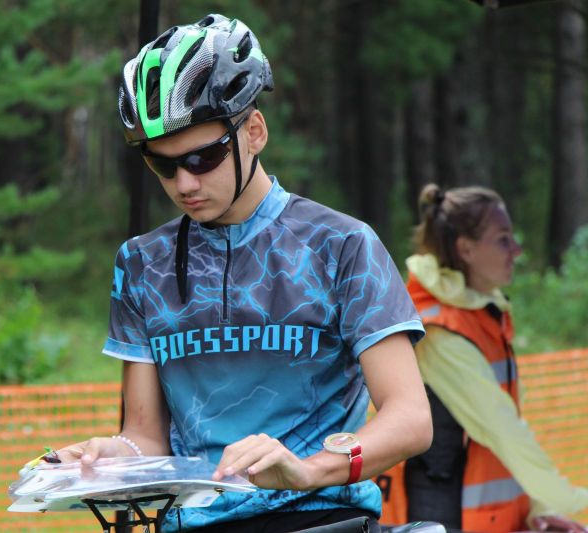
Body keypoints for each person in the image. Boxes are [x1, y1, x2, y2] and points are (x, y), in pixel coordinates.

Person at [54, 14, 432, 532]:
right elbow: (145, 439)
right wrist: (107, 455)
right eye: (163, 164)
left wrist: (306, 471)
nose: (184, 183)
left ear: (254, 132)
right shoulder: (141, 263)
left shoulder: (341, 244)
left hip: (317, 517)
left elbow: (410, 419)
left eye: (203, 157)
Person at [400, 184, 588, 532]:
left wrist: (538, 509)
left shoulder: (477, 315)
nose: (516, 250)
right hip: (443, 519)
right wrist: (573, 500)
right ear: (466, 249)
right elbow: (504, 431)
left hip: (482, 517)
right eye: (503, 239)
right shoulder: (442, 334)